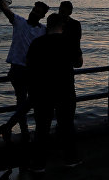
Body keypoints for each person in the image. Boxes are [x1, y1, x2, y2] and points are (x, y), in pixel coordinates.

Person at [27, 13, 83, 171]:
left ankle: (39, 164)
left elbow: (29, 65)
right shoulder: (69, 41)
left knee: (42, 128)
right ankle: (70, 159)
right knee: (67, 126)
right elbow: (78, 63)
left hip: (42, 91)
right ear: (63, 25)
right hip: (65, 89)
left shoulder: (37, 43)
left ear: (48, 24)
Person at [0, 0, 48, 143]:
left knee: (26, 102)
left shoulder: (43, 31)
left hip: (32, 70)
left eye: (38, 12)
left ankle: (11, 128)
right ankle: (22, 132)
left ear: (42, 16)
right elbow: (5, 8)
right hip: (18, 69)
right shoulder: (19, 22)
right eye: (35, 10)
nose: (35, 13)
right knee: (23, 101)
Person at [58, 0, 83, 68]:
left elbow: (76, 42)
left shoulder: (75, 24)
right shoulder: (75, 24)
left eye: (62, 11)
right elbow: (77, 42)